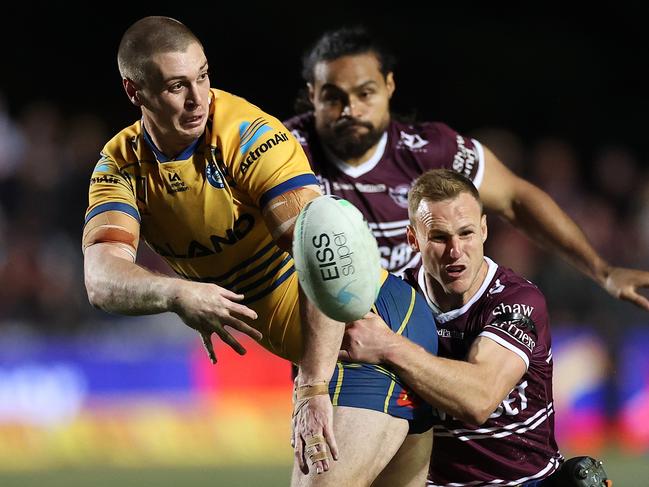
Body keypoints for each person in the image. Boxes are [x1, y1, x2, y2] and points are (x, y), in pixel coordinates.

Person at [81, 16, 438, 486]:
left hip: (367, 333)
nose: (197, 99)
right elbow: (101, 276)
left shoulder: (251, 137)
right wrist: (175, 294)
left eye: (203, 76)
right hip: (324, 352)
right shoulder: (121, 166)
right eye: (176, 86)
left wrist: (312, 387)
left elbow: (320, 253)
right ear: (135, 92)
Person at [284, 25, 649, 310]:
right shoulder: (284, 151)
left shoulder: (429, 150)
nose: (351, 109)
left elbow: (515, 198)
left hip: (421, 331)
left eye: (365, 93)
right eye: (334, 97)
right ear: (313, 94)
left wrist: (602, 271)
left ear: (389, 86)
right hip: (331, 340)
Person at [339, 169, 610, 486]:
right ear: (414, 239)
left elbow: (479, 400)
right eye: (439, 237)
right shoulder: (396, 298)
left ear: (483, 229)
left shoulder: (518, 300)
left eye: (465, 233)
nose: (455, 251)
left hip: (525, 481)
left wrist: (388, 346)